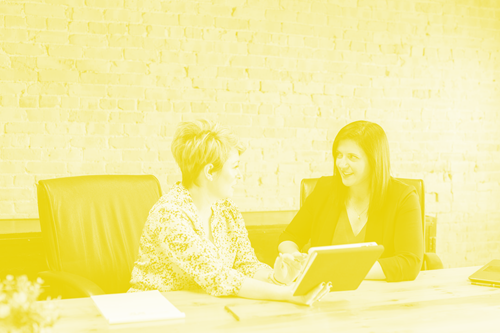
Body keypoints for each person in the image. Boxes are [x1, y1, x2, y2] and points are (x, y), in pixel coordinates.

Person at [129, 119, 330, 305]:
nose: (239, 175)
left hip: (202, 309)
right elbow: (218, 276)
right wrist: (288, 294)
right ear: (209, 172)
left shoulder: (227, 210)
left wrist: (276, 278)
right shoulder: (170, 214)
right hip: (150, 312)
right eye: (235, 167)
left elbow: (246, 264)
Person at [278, 120, 424, 282]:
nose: (341, 164)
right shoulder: (324, 189)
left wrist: (339, 270)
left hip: (380, 297)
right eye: (339, 155)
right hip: (325, 294)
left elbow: (410, 263)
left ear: (374, 161)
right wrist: (296, 258)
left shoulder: (403, 197)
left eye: (352, 157)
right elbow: (289, 237)